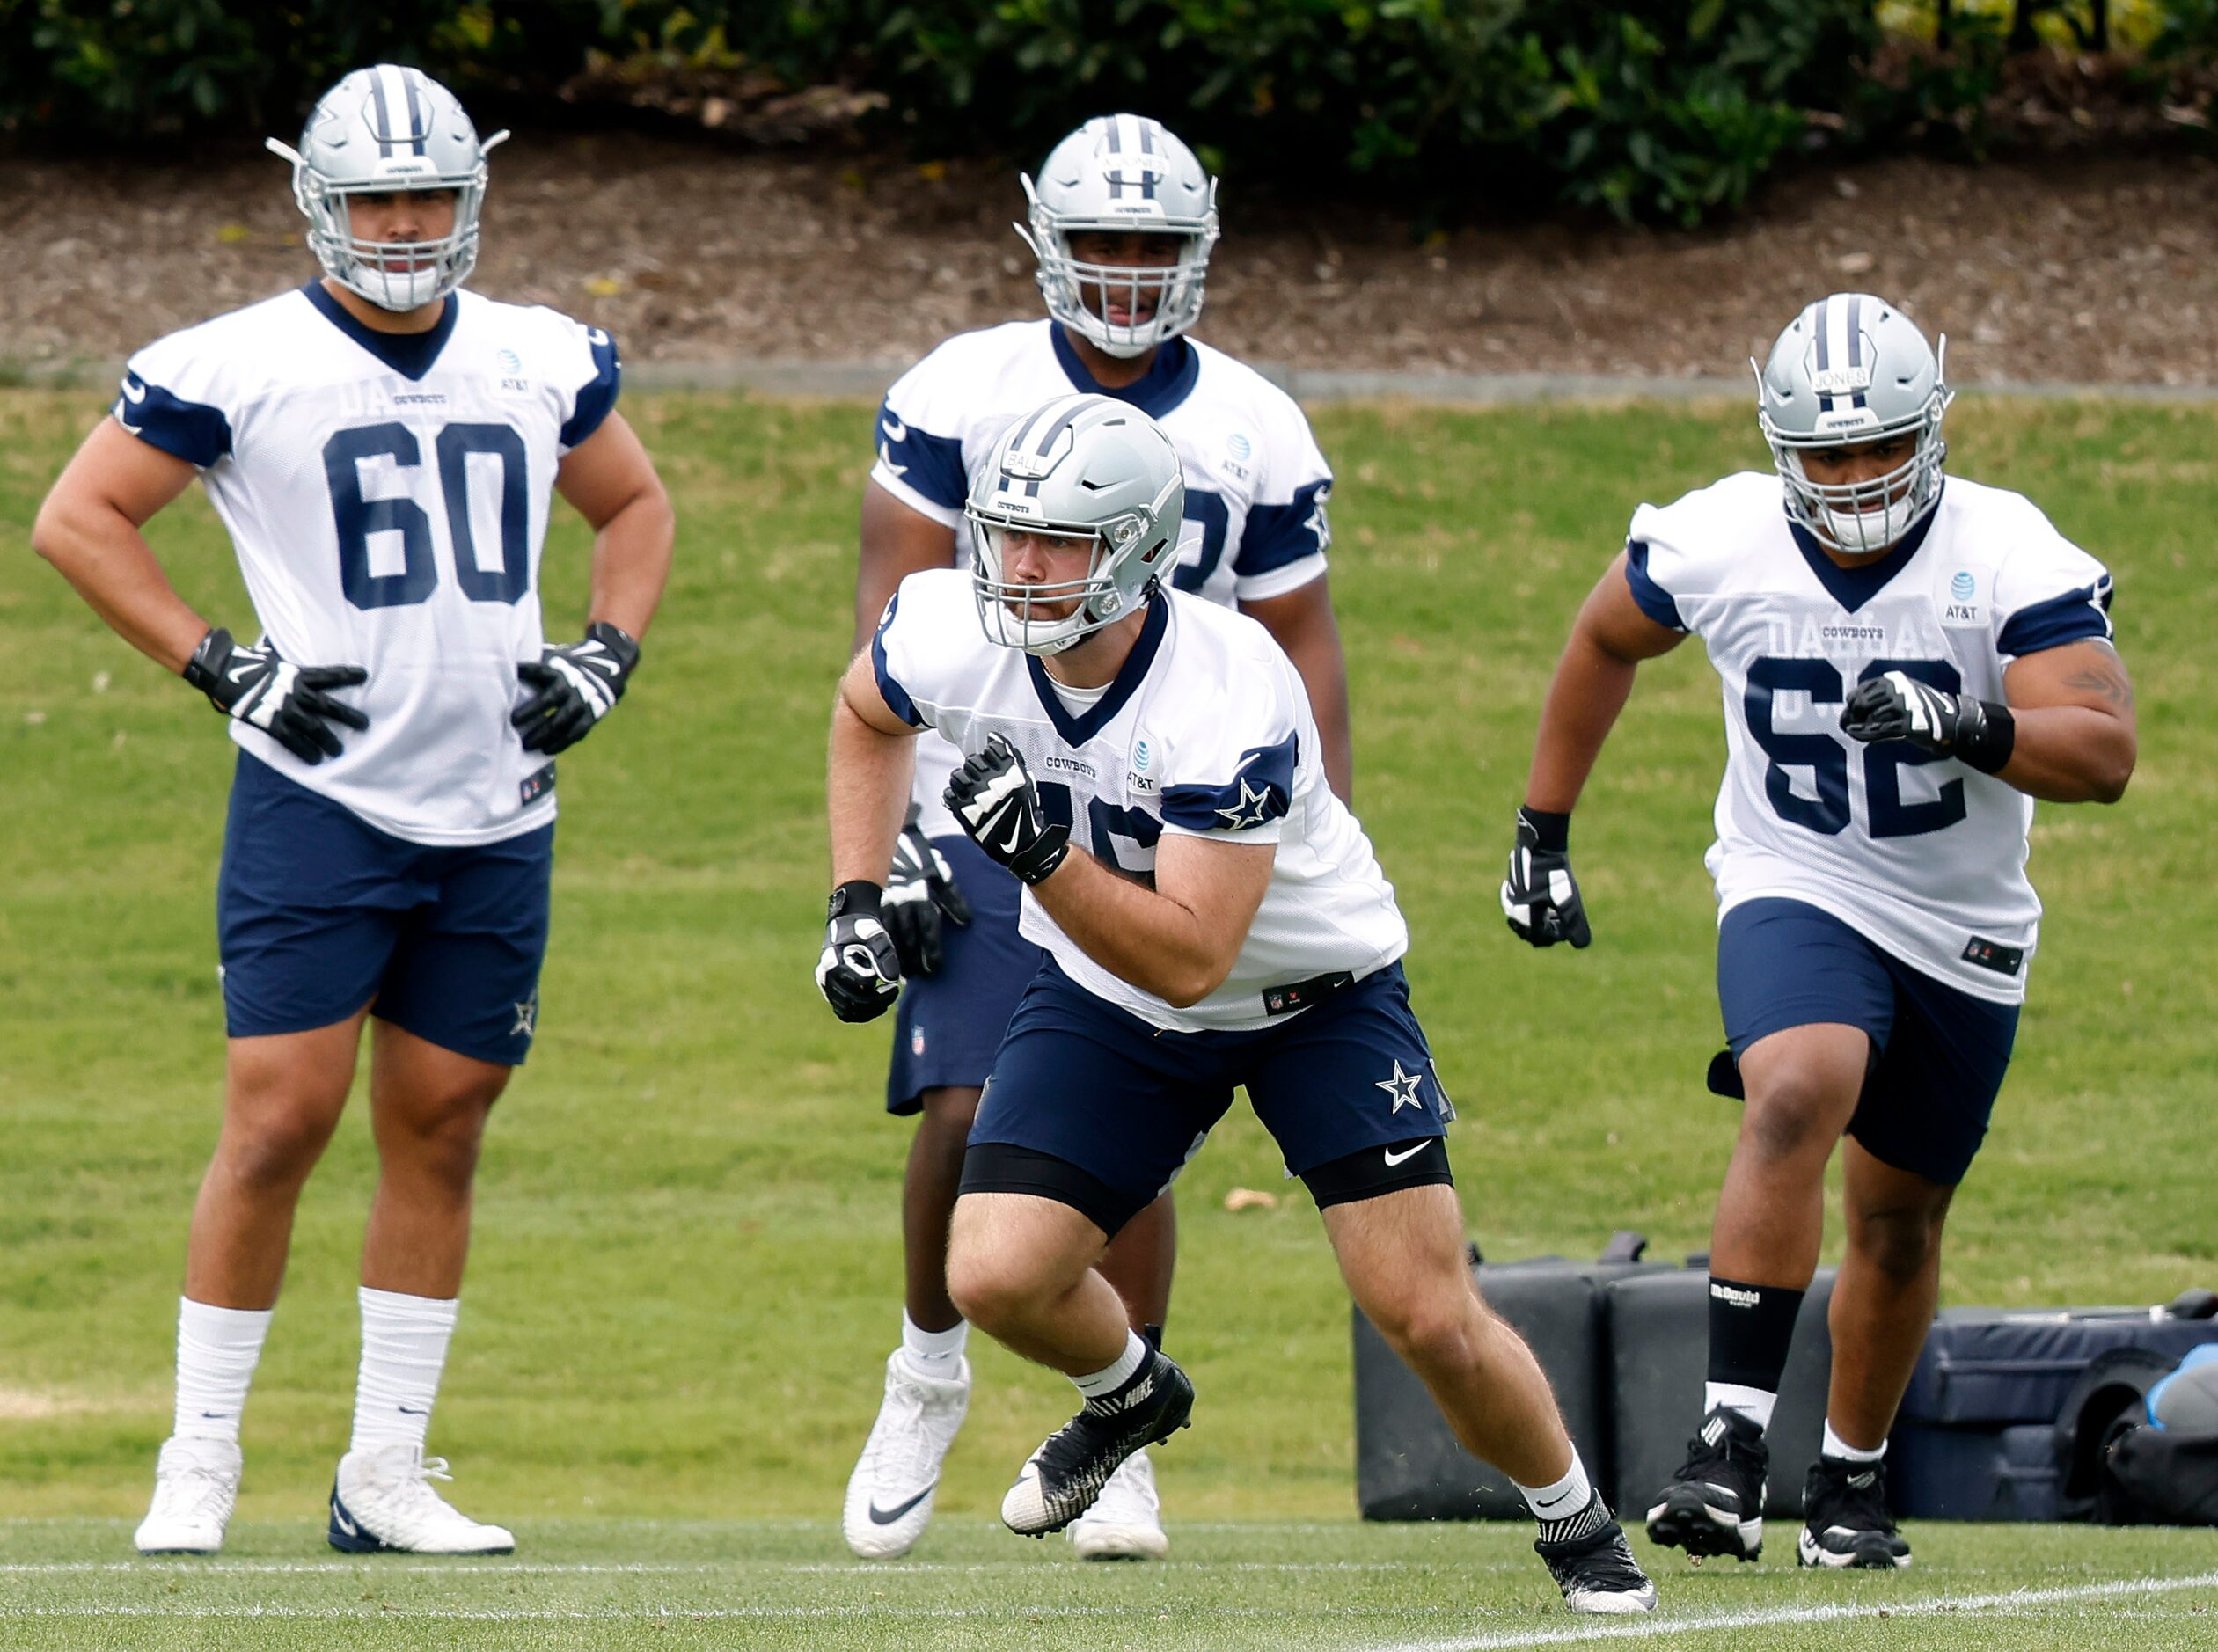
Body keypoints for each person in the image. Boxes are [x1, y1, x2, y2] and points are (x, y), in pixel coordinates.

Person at [819, 392, 1656, 1615]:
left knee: (1424, 1314)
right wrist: (854, 896)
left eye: (1057, 539)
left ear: (1139, 550)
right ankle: (1130, 1394)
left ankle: (1574, 1517)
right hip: (1107, 991)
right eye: (1006, 532)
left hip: (1310, 992)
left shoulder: (1227, 687)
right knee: (994, 1272)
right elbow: (863, 710)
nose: (1020, 565)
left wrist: (1040, 857)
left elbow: (1195, 955)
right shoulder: (952, 625)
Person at [31, 64, 674, 1556]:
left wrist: (606, 653)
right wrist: (217, 665)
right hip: (323, 795)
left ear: (473, 200)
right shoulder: (237, 360)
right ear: (315, 200)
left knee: (442, 1126)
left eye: (429, 196)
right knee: (277, 1122)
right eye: (377, 195)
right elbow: (79, 515)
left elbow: (631, 507)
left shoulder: (534, 352)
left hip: (500, 803)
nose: (402, 222)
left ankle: (384, 1471)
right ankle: (198, 1456)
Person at [1502, 293, 2134, 1570]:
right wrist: (1540, 826)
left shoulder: (2004, 549)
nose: (1851, 480)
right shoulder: (1722, 534)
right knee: (1797, 1079)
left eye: (1877, 450)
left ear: (1932, 432)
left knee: (1897, 1220)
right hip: (1791, 875)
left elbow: (2105, 750)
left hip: (1960, 921)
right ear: (1778, 447)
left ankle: (1846, 1485)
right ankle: (1725, 1447)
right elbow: (1602, 634)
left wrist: (1966, 722)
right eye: (1826, 455)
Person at [843, 112, 1352, 1562]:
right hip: (992, 800)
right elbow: (891, 620)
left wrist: (1310, 817)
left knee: (1123, 1153)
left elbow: (1299, 644)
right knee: (961, 1108)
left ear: (1199, 249)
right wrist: (894, 854)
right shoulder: (961, 387)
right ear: (1042, 245)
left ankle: (1118, 1435)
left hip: (1171, 808)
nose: (1127, 274)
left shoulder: (1258, 421)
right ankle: (926, 1363)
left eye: (1153, 246)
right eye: (1101, 245)